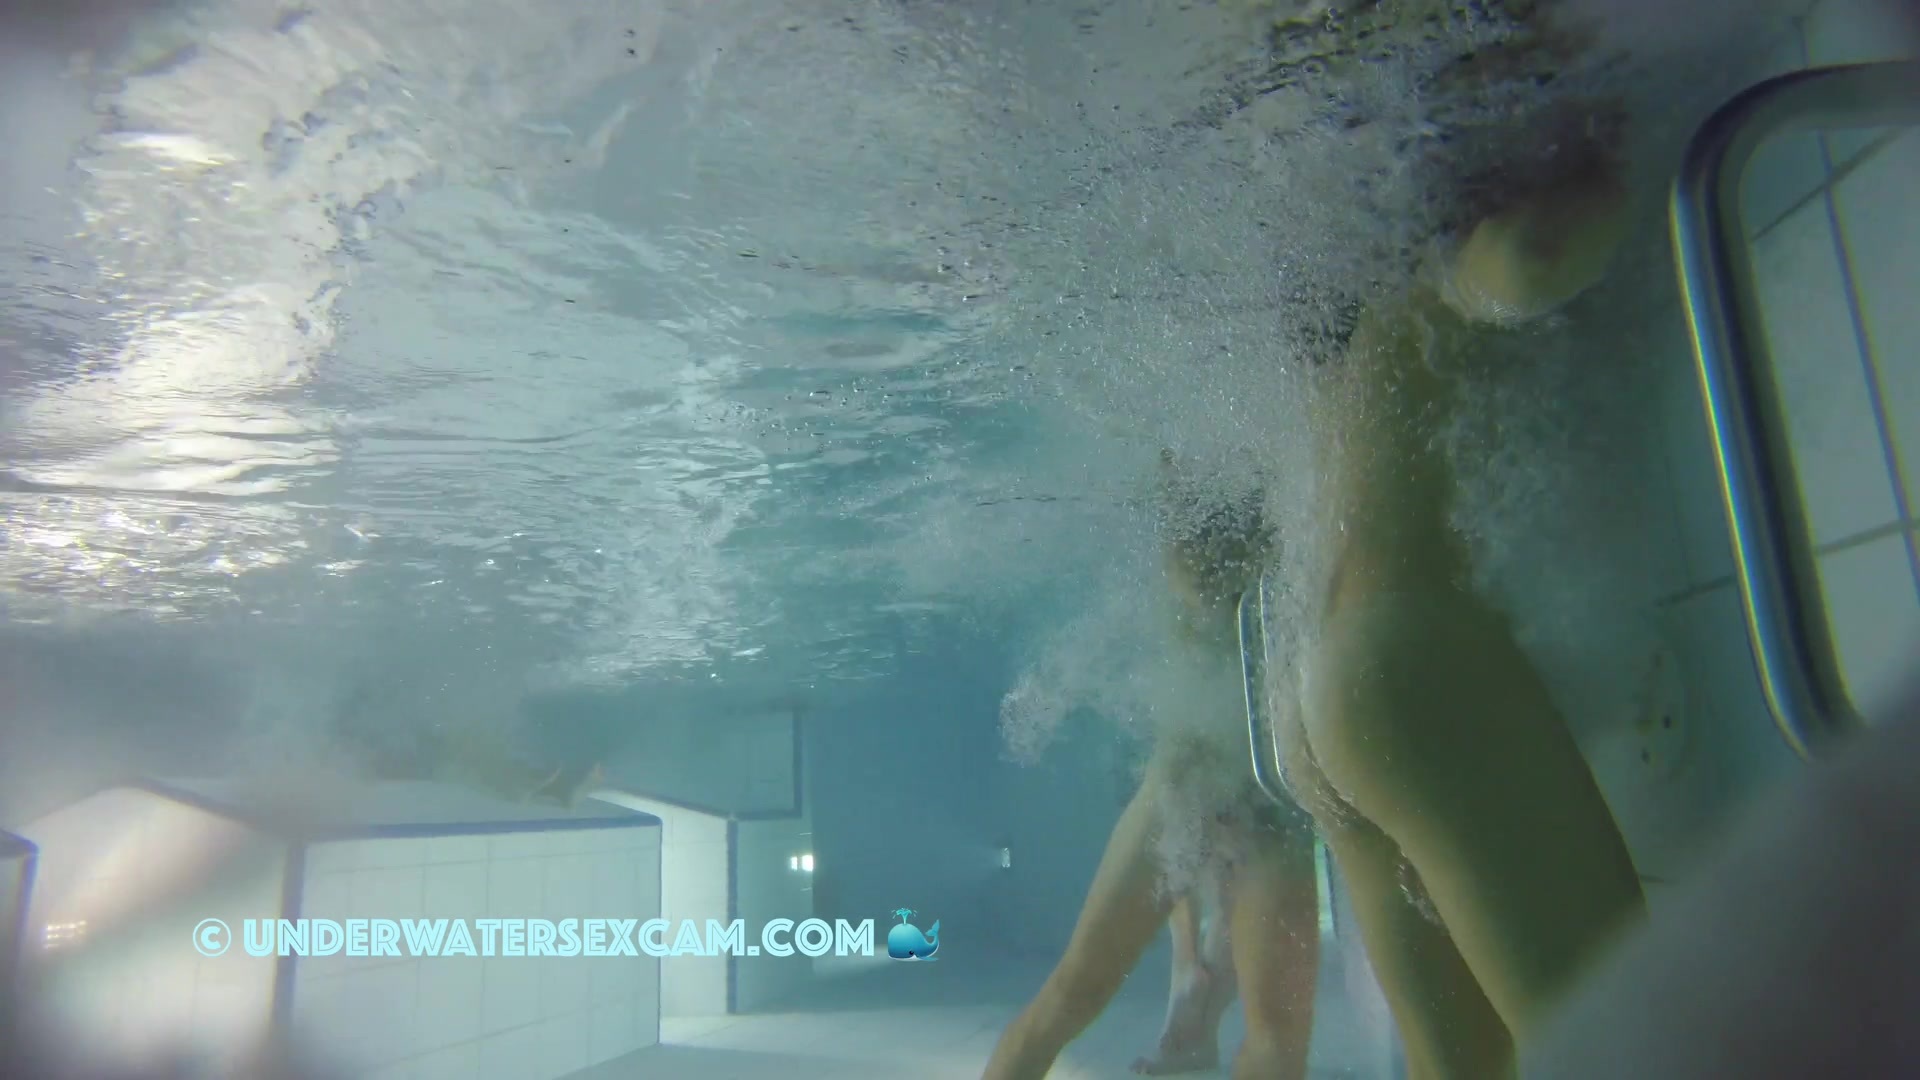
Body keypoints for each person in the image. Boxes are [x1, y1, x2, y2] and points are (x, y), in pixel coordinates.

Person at [1267, 127, 1649, 1078]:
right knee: (1631, 1043)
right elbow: (1522, 261)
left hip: (1318, 699)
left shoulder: (1343, 354)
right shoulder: (1422, 293)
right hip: (1410, 675)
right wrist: (1613, 179)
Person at [983, 480, 1324, 1080]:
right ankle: (1190, 992)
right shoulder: (1201, 498)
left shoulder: (1282, 501)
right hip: (1189, 788)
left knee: (1276, 1041)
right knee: (1070, 997)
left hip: (1267, 798)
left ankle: (1191, 1004)